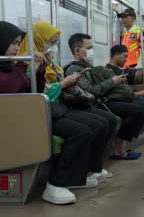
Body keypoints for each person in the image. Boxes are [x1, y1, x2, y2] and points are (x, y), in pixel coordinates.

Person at [0, 21, 96, 205]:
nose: (17, 48)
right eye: (12, 43)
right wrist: (22, 64)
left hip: (28, 115)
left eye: (18, 43)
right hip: (14, 121)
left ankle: (68, 179)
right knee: (80, 131)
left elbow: (32, 89)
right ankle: (56, 184)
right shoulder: (11, 68)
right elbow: (9, 87)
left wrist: (40, 69)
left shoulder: (10, 67)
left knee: (85, 128)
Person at [64, 34, 144, 159]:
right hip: (91, 103)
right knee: (120, 116)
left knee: (141, 108)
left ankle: (118, 148)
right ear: (77, 50)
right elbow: (93, 90)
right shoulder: (74, 70)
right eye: (89, 48)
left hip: (101, 99)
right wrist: (113, 81)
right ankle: (115, 150)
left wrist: (116, 82)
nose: (92, 52)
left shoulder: (90, 68)